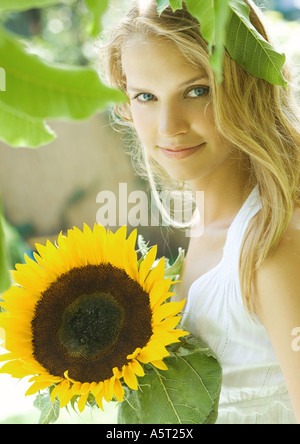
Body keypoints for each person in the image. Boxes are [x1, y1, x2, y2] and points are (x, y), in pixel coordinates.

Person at [99, 0, 300, 424]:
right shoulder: (209, 224)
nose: (169, 125)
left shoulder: (272, 246)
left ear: (249, 87)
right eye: (146, 97)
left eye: (197, 90)